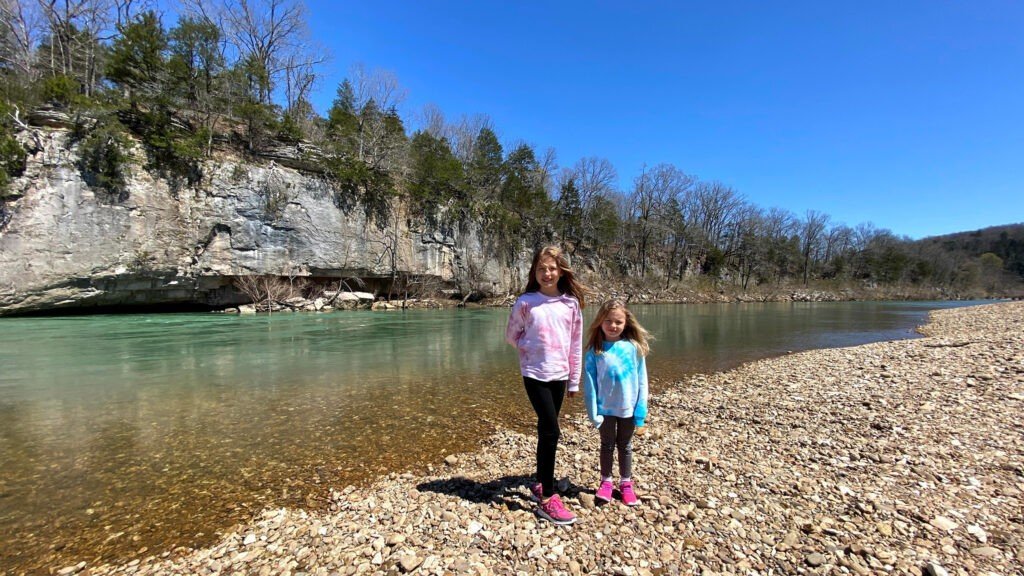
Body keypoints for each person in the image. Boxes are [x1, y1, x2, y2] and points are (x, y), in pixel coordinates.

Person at [505, 245, 588, 525]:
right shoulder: (526, 302)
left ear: (561, 271)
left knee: (545, 430)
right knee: (552, 430)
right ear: (535, 272)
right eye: (541, 268)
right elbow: (511, 335)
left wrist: (574, 380)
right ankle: (548, 499)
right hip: (534, 373)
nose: (547, 273)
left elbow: (575, 346)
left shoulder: (571, 305)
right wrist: (530, 348)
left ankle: (541, 481)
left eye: (552, 268)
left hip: (560, 374)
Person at [582, 299, 651, 506]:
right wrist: (593, 413)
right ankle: (606, 482)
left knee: (626, 445)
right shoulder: (595, 350)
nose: (613, 326)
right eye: (608, 321)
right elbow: (590, 384)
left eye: (618, 322)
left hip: (629, 409)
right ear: (600, 322)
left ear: (626, 323)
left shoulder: (633, 348)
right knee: (606, 445)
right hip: (605, 410)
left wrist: (641, 412)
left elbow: (642, 381)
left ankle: (626, 483)